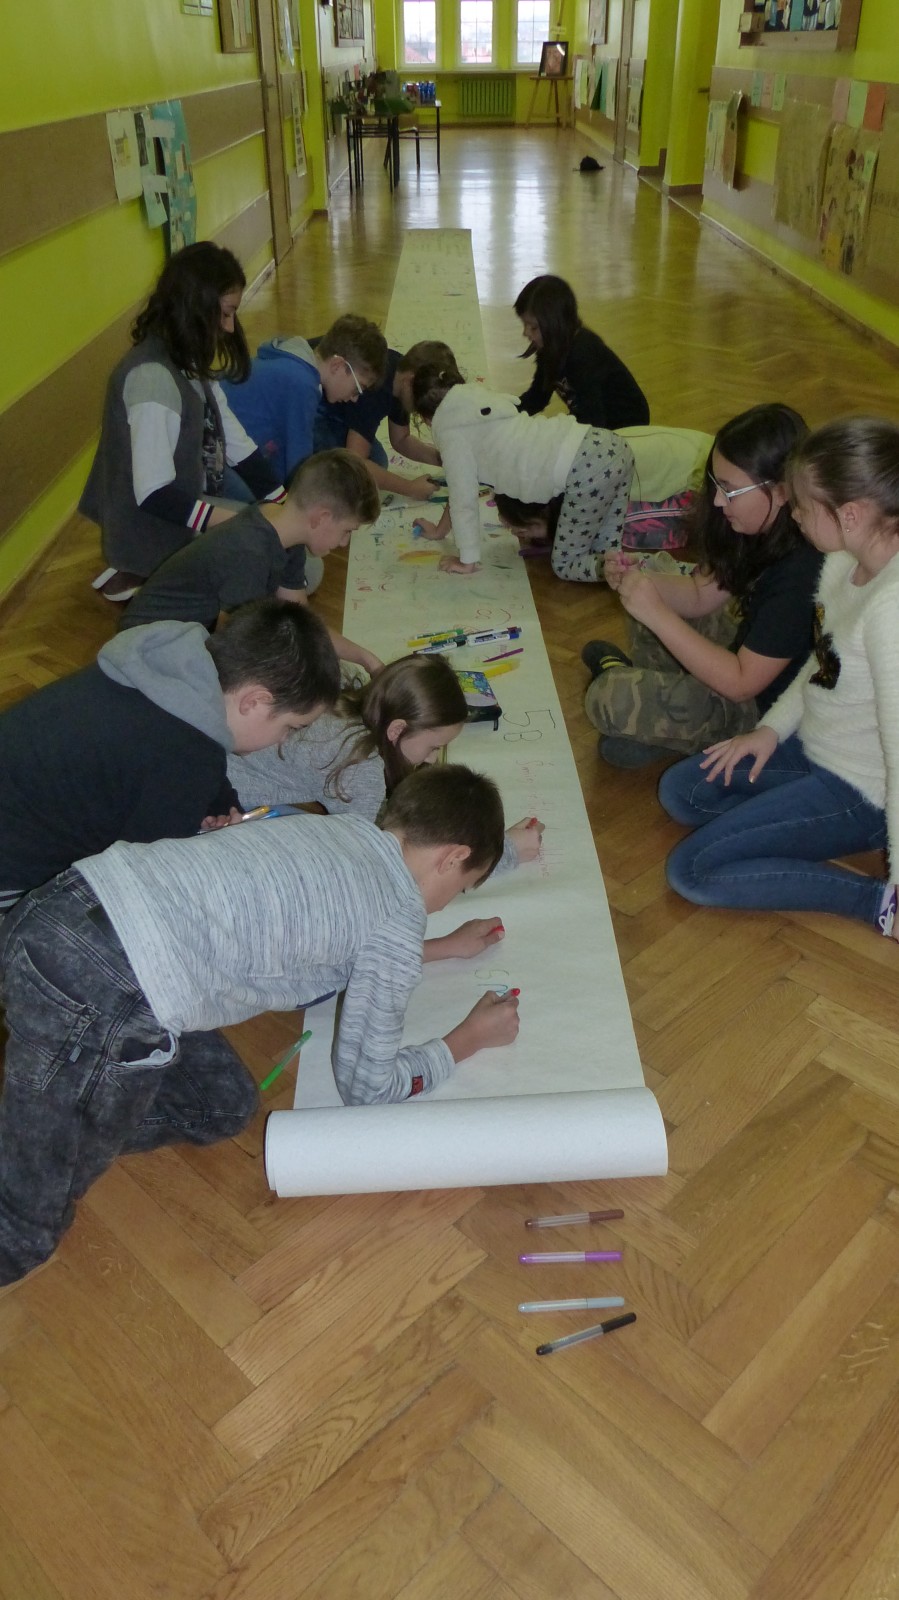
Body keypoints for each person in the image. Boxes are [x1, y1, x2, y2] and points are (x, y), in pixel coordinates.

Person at [0, 763, 520, 1284]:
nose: (449, 902)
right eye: (462, 887)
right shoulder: (397, 920)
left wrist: (443, 947)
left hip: (63, 903)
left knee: (221, 1104)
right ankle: (34, 1141)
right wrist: (464, 1041)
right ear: (453, 858)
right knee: (27, 1228)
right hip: (104, 986)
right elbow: (369, 1087)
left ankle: (44, 1117)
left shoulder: (336, 829)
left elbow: (335, 932)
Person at [659, 416, 899, 944]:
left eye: (803, 506)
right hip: (814, 746)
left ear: (850, 515)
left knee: (692, 870)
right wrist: (769, 731)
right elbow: (822, 664)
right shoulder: (841, 560)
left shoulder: (890, 611)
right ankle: (793, 827)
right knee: (683, 792)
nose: (793, 513)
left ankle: (874, 901)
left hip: (863, 790)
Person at [0, 599, 339, 919]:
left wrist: (224, 805)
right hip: (15, 876)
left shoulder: (168, 676)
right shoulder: (188, 754)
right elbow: (150, 876)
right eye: (291, 727)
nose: (284, 740)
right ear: (254, 701)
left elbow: (184, 766)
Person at [581, 404, 820, 768]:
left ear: (783, 490)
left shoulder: (802, 570)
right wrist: (641, 582)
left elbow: (741, 683)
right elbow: (698, 595)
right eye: (716, 484)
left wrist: (655, 612)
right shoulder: (752, 524)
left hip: (762, 713)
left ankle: (652, 708)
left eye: (730, 490)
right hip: (743, 666)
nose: (718, 500)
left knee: (608, 697)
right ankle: (660, 713)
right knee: (652, 579)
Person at [81, 242, 284, 601]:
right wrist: (257, 523)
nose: (229, 327)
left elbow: (237, 444)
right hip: (153, 525)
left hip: (181, 501)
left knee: (291, 552)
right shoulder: (152, 378)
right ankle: (141, 571)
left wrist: (286, 505)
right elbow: (155, 495)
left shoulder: (185, 358)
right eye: (225, 313)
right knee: (281, 561)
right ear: (195, 307)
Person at [231, 651, 545, 867]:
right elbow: (384, 863)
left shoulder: (356, 690)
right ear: (396, 730)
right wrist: (505, 852)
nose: (434, 759)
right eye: (433, 747)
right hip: (225, 805)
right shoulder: (362, 768)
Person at [119, 450, 383, 675]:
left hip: (189, 635)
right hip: (145, 647)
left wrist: (366, 659)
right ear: (321, 518)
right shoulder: (249, 552)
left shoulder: (287, 532)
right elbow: (232, 653)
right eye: (347, 530)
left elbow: (301, 620)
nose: (344, 542)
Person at [408, 351, 634, 577]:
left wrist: (467, 560)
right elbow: (459, 493)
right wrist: (439, 532)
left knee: (567, 565)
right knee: (608, 550)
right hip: (610, 445)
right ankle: (634, 570)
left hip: (585, 468)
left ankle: (617, 573)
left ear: (426, 419)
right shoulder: (481, 403)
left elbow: (462, 500)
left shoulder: (451, 435)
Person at [221, 315, 388, 484]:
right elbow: (300, 472)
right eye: (358, 388)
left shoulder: (297, 363)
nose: (354, 398)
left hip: (228, 448)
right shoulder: (303, 385)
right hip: (216, 458)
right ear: (337, 365)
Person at [311, 339, 447, 501]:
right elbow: (356, 462)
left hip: (338, 407)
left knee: (377, 461)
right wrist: (410, 488)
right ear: (409, 381)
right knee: (356, 477)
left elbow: (401, 440)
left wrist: (446, 459)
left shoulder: (402, 376)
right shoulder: (378, 390)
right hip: (313, 405)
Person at [515, 275, 649, 431]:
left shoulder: (583, 354)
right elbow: (537, 397)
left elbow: (592, 421)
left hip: (627, 425)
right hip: (596, 420)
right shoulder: (548, 349)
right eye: (525, 325)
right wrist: (504, 411)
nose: (525, 333)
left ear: (555, 324)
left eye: (533, 327)